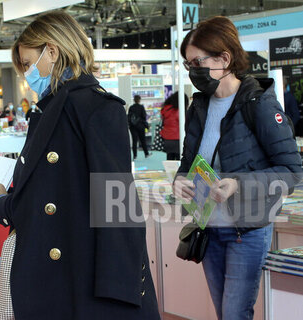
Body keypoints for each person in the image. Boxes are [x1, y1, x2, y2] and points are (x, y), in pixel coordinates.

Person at [0, 10, 159, 320]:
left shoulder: (96, 108)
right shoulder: (51, 111)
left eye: (27, 63)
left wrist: (119, 290)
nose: (26, 73)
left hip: (85, 279)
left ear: (52, 51)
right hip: (59, 274)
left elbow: (118, 207)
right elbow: (41, 195)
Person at [173, 16, 302, 320]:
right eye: (187, 64)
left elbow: (292, 170)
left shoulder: (259, 104)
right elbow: (188, 162)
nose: (192, 71)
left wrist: (237, 183)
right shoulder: (200, 106)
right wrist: (181, 179)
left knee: (234, 313)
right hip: (208, 226)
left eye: (197, 62)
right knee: (224, 312)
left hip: (247, 229)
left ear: (224, 58)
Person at [160, 92, 188, 160]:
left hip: (167, 138)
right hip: (178, 138)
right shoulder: (179, 111)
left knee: (169, 159)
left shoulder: (166, 109)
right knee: (180, 160)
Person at [127, 95, 150, 159]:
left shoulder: (131, 107)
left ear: (134, 100)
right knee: (143, 140)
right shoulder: (141, 107)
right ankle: (146, 153)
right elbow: (144, 116)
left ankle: (135, 155)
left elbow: (129, 117)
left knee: (134, 141)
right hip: (140, 126)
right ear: (139, 100)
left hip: (133, 126)